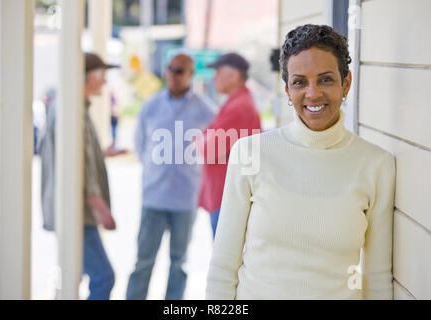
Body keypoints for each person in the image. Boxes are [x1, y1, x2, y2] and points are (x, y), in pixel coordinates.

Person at [206, 24, 396, 300]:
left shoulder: (376, 165)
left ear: (346, 83)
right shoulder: (250, 153)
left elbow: (377, 278)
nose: (313, 93)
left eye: (326, 79)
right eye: (300, 82)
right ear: (287, 89)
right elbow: (223, 266)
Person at [126, 53, 216, 300]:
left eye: (179, 71)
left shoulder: (205, 108)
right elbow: (141, 144)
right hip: (154, 198)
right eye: (170, 69)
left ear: (190, 75)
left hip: (185, 199)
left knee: (180, 264)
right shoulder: (151, 105)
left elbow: (217, 142)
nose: (173, 75)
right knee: (143, 262)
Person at [40, 52, 126, 300]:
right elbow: (79, 164)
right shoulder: (71, 109)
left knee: (72, 277)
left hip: (74, 212)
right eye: (103, 75)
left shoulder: (71, 106)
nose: (105, 82)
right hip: (77, 214)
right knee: (103, 277)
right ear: (91, 76)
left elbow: (76, 155)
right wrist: (99, 206)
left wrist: (103, 153)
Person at [196, 53, 261, 239]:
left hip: (229, 199)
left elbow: (208, 150)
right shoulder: (236, 102)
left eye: (217, 72)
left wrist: (201, 140)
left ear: (233, 75)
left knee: (226, 263)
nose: (214, 77)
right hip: (226, 196)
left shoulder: (238, 107)